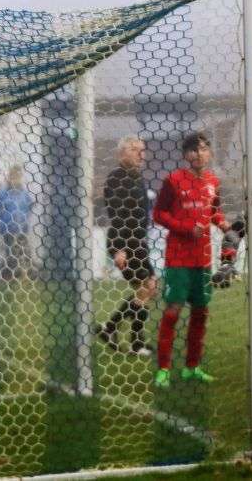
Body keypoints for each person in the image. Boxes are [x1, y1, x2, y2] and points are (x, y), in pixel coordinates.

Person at [151, 133, 231, 387]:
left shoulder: (213, 181)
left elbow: (214, 210)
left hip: (203, 258)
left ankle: (192, 367)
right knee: (173, 311)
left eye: (204, 149)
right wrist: (185, 227)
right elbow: (159, 213)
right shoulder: (173, 180)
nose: (199, 154)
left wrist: (222, 223)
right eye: (194, 150)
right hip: (178, 257)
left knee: (201, 312)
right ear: (186, 155)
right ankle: (163, 369)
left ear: (210, 153)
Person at [98, 136, 154, 356]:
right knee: (144, 288)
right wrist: (120, 248)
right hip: (125, 242)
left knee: (149, 287)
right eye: (134, 149)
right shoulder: (116, 178)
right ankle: (134, 342)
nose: (141, 154)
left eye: (142, 150)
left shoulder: (136, 176)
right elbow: (117, 215)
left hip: (138, 241)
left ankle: (110, 328)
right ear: (121, 153)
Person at [0, 165, 33, 281]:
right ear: (9, 177)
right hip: (8, 229)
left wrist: (25, 221)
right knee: (11, 253)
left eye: (18, 176)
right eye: (13, 176)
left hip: (21, 229)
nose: (15, 179)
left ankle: (26, 275)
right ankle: (12, 276)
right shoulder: (2, 194)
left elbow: (29, 207)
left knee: (24, 252)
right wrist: (1, 225)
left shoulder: (24, 194)